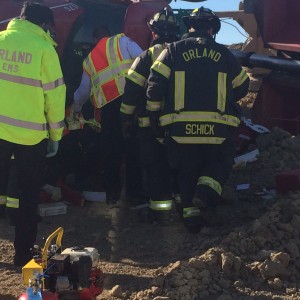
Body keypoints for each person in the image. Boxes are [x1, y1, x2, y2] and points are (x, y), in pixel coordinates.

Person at [146, 7, 250, 232]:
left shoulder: (171, 51)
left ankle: (192, 220)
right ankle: (205, 194)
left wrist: (154, 118)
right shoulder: (224, 54)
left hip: (180, 130)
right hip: (218, 130)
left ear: (189, 26)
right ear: (212, 28)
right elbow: (243, 86)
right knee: (219, 163)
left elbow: (154, 87)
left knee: (186, 174)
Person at [0, 1, 66, 266]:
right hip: (31, 138)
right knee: (27, 197)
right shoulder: (44, 50)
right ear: (42, 24)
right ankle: (22, 253)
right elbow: (55, 95)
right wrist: (56, 135)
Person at [120, 7, 180, 224]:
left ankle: (159, 212)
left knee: (155, 169)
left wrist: (125, 118)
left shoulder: (146, 57)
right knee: (180, 167)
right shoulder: (183, 55)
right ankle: (182, 208)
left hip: (149, 126)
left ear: (153, 33)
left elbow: (132, 92)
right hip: (179, 125)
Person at [73, 27, 143, 201]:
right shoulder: (122, 41)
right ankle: (136, 196)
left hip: (108, 107)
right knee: (134, 147)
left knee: (112, 150)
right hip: (131, 100)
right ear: (108, 33)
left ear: (94, 37)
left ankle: (113, 193)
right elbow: (143, 59)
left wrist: (75, 109)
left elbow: (82, 92)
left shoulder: (89, 60)